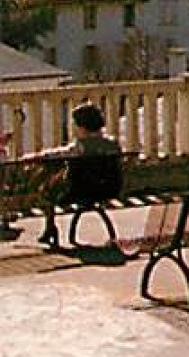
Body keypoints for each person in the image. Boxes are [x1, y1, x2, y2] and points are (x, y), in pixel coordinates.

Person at [26, 103, 122, 249]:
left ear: (81, 126)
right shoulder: (112, 144)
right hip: (109, 188)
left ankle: (50, 227)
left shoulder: (80, 146)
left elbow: (59, 154)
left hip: (77, 191)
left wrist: (36, 156)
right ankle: (49, 228)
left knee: (46, 187)